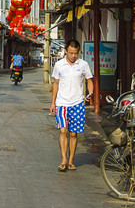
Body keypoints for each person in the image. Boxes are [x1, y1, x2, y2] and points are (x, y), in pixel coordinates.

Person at [50, 39, 94, 172]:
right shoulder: (59, 65)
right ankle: (63, 160)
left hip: (77, 103)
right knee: (63, 130)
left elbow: (89, 80)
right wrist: (53, 102)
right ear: (66, 51)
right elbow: (56, 84)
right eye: (71, 53)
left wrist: (90, 93)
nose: (73, 56)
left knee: (73, 133)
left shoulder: (84, 65)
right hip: (62, 103)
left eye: (75, 53)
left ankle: (71, 161)